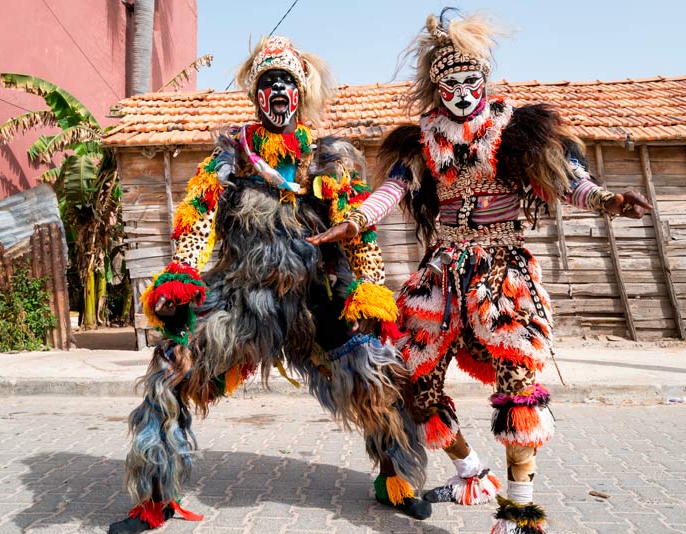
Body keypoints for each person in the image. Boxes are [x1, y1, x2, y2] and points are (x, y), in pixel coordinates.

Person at [307, 11, 652, 533]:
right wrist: (354, 221)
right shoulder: (423, 138)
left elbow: (566, 180)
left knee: (518, 383)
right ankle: (470, 470)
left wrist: (607, 200)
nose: (464, 92)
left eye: (473, 81)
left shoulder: (515, 129)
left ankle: (520, 510)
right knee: (415, 383)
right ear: (437, 88)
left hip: (502, 274)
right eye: (452, 83)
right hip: (442, 276)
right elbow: (391, 191)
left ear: (485, 80)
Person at [108, 36, 432, 534]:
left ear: (300, 95)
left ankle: (398, 479)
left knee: (377, 375)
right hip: (243, 296)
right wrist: (181, 279)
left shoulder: (328, 163)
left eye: (286, 82)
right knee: (171, 365)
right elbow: (196, 220)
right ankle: (155, 497)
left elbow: (357, 230)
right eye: (267, 82)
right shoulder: (229, 161)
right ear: (256, 96)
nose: (278, 90)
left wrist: (369, 291)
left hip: (316, 298)